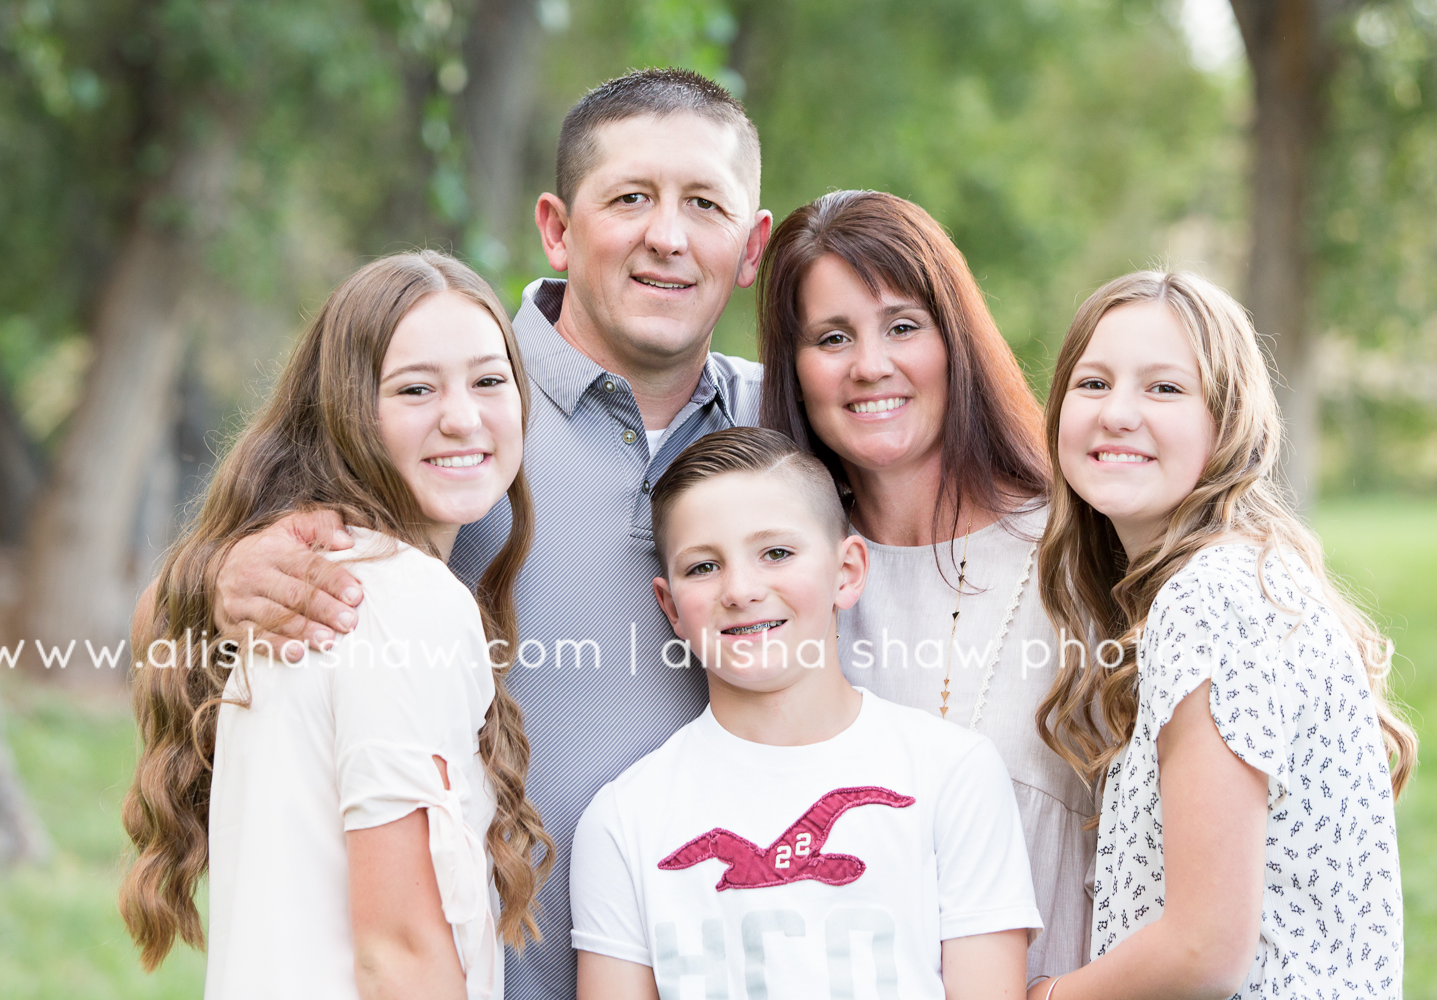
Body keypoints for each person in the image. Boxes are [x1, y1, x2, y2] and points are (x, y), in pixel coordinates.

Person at [145, 69, 774, 997]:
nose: (667, 236)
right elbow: (198, 624)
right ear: (557, 227)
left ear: (752, 243)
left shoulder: (794, 428)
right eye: (631, 197)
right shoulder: (453, 403)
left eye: (705, 204)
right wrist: (220, 574)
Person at [118, 251, 552, 999]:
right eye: (416, 388)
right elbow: (404, 949)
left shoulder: (293, 583)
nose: (462, 415)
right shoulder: (390, 598)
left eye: (489, 380)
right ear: (349, 412)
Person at [1026, 270, 1415, 999]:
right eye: (1094, 383)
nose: (1117, 414)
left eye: (1165, 388)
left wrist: (1046, 997)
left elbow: (1204, 950)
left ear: (1227, 422)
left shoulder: (1215, 599)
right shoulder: (1239, 578)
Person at [572, 427, 1041, 1000]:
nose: (741, 590)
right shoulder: (624, 819)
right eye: (703, 567)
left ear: (847, 571)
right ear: (669, 606)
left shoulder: (951, 774)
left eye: (776, 553)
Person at [756, 190, 1092, 981]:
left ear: (956, 341)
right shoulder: (778, 588)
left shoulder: (1079, 550)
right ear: (794, 370)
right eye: (832, 337)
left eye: (903, 326)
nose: (871, 365)